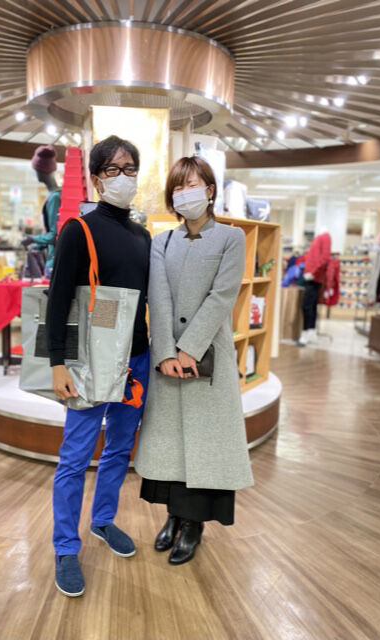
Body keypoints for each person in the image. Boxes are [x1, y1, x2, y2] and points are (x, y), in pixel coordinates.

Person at [134, 156, 254, 565]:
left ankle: (193, 525)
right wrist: (167, 352)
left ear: (210, 190)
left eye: (193, 184)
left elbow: (223, 296)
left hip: (208, 358)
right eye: (178, 186)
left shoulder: (231, 238)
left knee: (204, 446)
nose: (186, 192)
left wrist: (190, 350)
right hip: (168, 361)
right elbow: (157, 297)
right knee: (169, 446)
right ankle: (173, 516)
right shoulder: (162, 241)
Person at [46, 135, 151, 597]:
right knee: (75, 457)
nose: (123, 177)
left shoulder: (143, 236)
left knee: (120, 448)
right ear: (95, 178)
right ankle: (65, 547)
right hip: (89, 362)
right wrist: (57, 363)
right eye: (112, 170)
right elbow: (58, 301)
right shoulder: (78, 229)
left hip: (137, 359)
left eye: (130, 169)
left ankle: (103, 520)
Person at [27, 145, 62, 274]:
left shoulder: (55, 198)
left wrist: (33, 239)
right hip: (54, 258)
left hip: (54, 262)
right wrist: (38, 244)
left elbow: (54, 234)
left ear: (41, 170)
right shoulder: (54, 195)